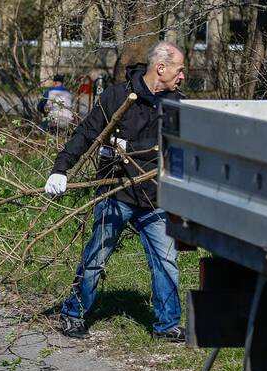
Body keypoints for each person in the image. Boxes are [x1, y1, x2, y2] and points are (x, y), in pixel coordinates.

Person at [44, 41, 186, 342]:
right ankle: (72, 314)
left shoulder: (176, 104)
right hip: (116, 193)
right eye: (180, 69)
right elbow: (87, 133)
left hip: (155, 197)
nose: (182, 76)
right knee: (96, 257)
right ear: (161, 68)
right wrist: (61, 168)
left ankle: (167, 325)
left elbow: (179, 154)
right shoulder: (118, 97)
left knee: (166, 262)